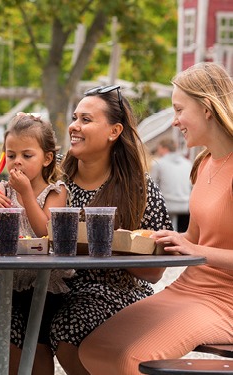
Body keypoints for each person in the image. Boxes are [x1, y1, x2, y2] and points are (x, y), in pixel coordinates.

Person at [7, 85, 173, 375]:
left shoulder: (139, 189)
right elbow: (14, 176)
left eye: (86, 119)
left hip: (113, 289)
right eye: (75, 117)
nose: (74, 126)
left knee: (69, 327)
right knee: (8, 327)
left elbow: (156, 271)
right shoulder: (52, 177)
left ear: (114, 131)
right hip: (50, 286)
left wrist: (110, 246)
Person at [79, 62, 233, 375]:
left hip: (224, 301)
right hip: (189, 288)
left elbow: (198, 250)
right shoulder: (204, 164)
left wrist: (196, 252)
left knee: (129, 360)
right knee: (95, 349)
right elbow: (195, 238)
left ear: (206, 108)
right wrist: (157, 239)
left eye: (179, 109)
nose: (174, 121)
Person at [0, 112, 69, 375]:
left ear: (47, 158)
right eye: (11, 155)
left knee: (33, 344)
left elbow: (45, 231)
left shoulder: (56, 192)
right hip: (7, 279)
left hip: (43, 283)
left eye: (27, 155)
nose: (17, 162)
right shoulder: (3, 189)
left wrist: (26, 193)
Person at [150, 138, 193, 232]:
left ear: (164, 149)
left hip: (167, 205)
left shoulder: (158, 163)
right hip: (186, 205)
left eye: (159, 148)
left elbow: (152, 186)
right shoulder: (188, 163)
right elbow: (191, 185)